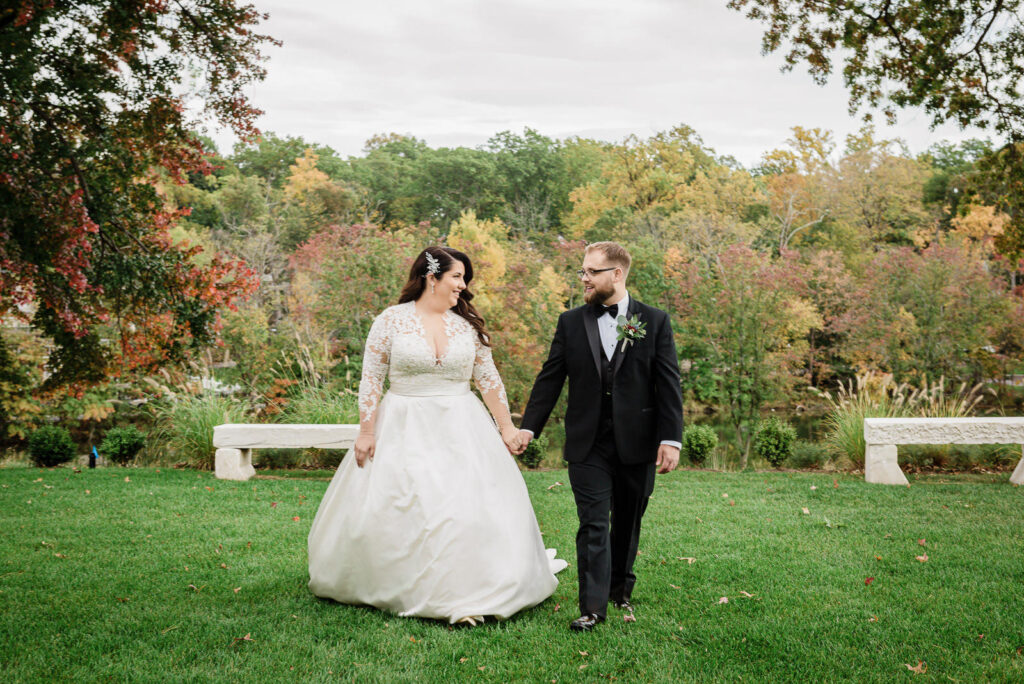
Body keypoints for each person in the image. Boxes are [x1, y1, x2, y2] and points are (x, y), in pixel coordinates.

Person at [308, 246, 566, 625]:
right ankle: (407, 584)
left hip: (462, 427)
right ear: (432, 277)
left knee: (464, 508)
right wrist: (366, 431)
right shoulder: (391, 321)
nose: (463, 285)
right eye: (457, 277)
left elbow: (488, 380)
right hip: (403, 425)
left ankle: (467, 592)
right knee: (413, 504)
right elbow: (371, 378)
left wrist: (507, 427)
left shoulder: (467, 326)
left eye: (464, 279)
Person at [516, 241, 683, 632]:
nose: (584, 278)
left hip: (638, 441)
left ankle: (620, 588)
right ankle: (592, 608)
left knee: (627, 520)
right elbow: (550, 377)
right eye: (583, 271)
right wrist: (529, 426)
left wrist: (670, 438)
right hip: (587, 441)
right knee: (593, 523)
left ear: (617, 274)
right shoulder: (570, 322)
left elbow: (668, 384)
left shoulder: (654, 321)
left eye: (592, 272)